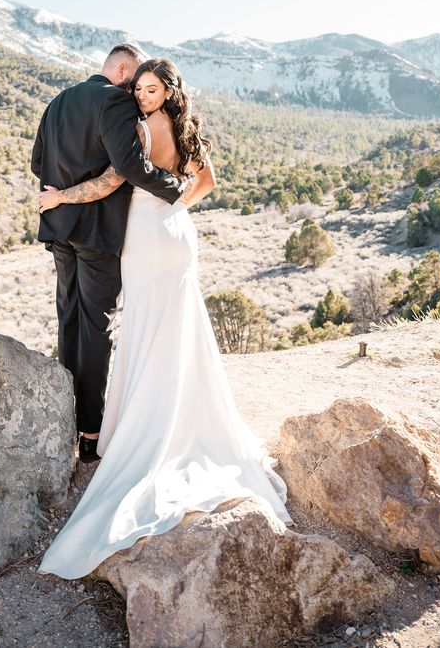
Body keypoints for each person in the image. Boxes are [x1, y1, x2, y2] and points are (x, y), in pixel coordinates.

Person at [36, 57, 293, 580]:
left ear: (165, 90)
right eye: (141, 88)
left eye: (151, 89)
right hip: (175, 236)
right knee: (177, 329)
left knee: (139, 328)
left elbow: (113, 179)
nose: (142, 95)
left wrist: (60, 196)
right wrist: (176, 205)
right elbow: (208, 181)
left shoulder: (127, 121)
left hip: (144, 241)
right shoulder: (184, 128)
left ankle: (129, 426)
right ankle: (171, 413)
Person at [31, 43, 187, 464]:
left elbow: (37, 162)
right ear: (121, 69)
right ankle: (90, 433)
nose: (135, 91)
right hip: (97, 232)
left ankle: (64, 420)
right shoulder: (115, 100)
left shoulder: (59, 101)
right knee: (97, 327)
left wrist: (62, 191)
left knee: (69, 320)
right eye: (134, 79)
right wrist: (174, 189)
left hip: (58, 227)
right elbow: (131, 164)